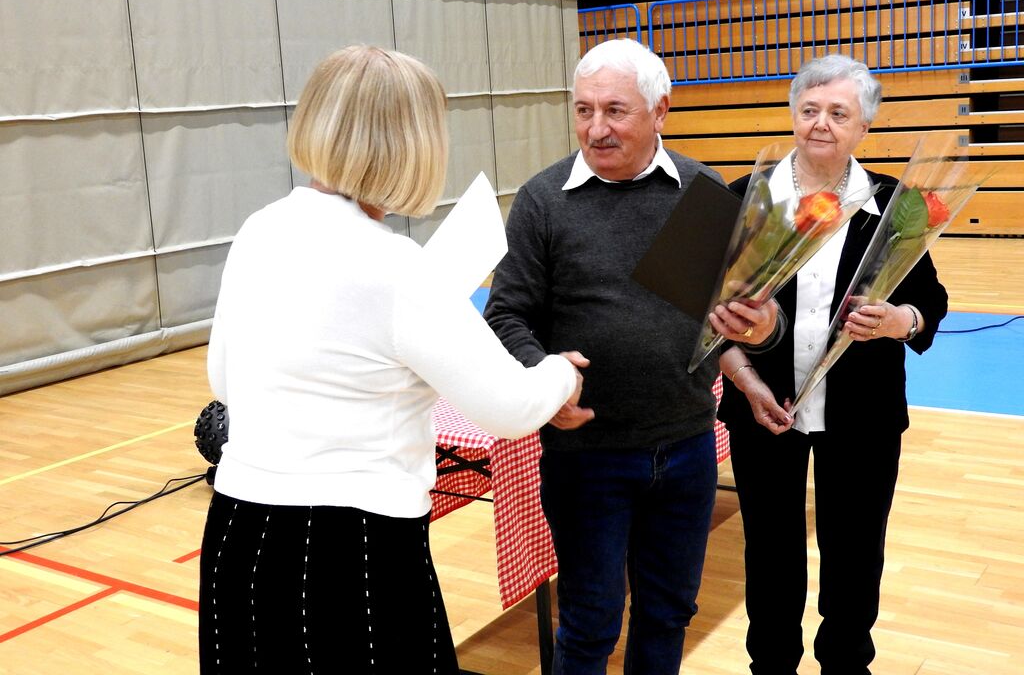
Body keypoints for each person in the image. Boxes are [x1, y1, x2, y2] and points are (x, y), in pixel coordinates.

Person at [198, 45, 590, 674]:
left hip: (238, 529)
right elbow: (512, 409)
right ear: (411, 145)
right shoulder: (397, 267)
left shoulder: (260, 228)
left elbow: (224, 378)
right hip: (349, 547)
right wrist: (561, 370)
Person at [484, 37, 781, 675]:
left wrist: (762, 327)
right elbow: (506, 314)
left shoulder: (702, 192)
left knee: (668, 615)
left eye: (616, 111)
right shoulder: (543, 200)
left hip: (687, 447)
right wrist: (545, 378)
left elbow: (743, 315)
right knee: (590, 624)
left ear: (660, 112)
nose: (597, 129)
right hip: (587, 456)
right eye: (584, 110)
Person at [716, 53, 949, 675]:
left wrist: (905, 321)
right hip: (764, 406)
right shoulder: (748, 199)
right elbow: (708, 308)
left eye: (838, 112)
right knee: (770, 550)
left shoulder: (897, 206)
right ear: (794, 114)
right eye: (809, 109)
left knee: (855, 550)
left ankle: (847, 661)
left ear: (863, 127)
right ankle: (771, 663)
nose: (821, 123)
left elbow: (930, 301)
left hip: (864, 415)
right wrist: (743, 375)